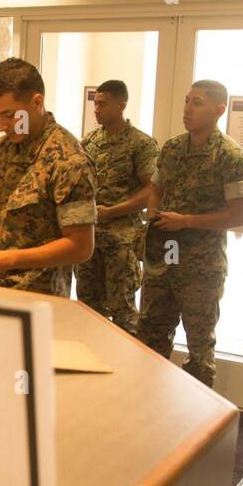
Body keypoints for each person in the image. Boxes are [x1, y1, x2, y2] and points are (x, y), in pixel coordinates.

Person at [0, 58, 96, 296]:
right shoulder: (1, 149)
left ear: (37, 102)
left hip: (37, 295)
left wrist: (10, 259)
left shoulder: (68, 159)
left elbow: (80, 246)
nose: (3, 125)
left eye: (10, 115)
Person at [138, 80, 243, 387]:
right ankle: (148, 408)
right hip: (164, 260)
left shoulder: (232, 157)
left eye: (197, 102)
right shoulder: (173, 148)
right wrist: (153, 213)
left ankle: (200, 423)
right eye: (187, 101)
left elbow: (240, 214)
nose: (188, 109)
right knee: (149, 337)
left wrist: (186, 221)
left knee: (199, 349)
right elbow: (156, 189)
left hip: (200, 268)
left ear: (219, 110)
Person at [74, 80, 158, 334]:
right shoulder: (88, 141)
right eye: (95, 103)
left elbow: (150, 189)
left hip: (121, 241)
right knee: (87, 310)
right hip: (88, 240)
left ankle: (128, 370)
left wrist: (114, 211)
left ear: (121, 105)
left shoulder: (140, 144)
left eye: (103, 104)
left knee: (122, 311)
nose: (96, 109)